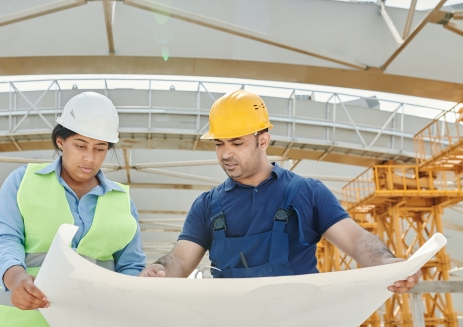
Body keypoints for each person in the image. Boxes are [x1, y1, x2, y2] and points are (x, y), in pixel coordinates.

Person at [139, 90, 421, 293]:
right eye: (219, 144)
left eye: (236, 143)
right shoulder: (207, 205)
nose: (225, 153)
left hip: (299, 320)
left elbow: (356, 240)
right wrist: (160, 270)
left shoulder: (307, 193)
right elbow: (180, 259)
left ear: (263, 140)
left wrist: (387, 262)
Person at [0, 92, 146, 327]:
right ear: (61, 141)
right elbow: (4, 238)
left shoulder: (122, 201)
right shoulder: (23, 182)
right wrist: (16, 278)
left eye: (99, 149)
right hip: (23, 321)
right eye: (80, 145)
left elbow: (131, 266)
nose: (89, 158)